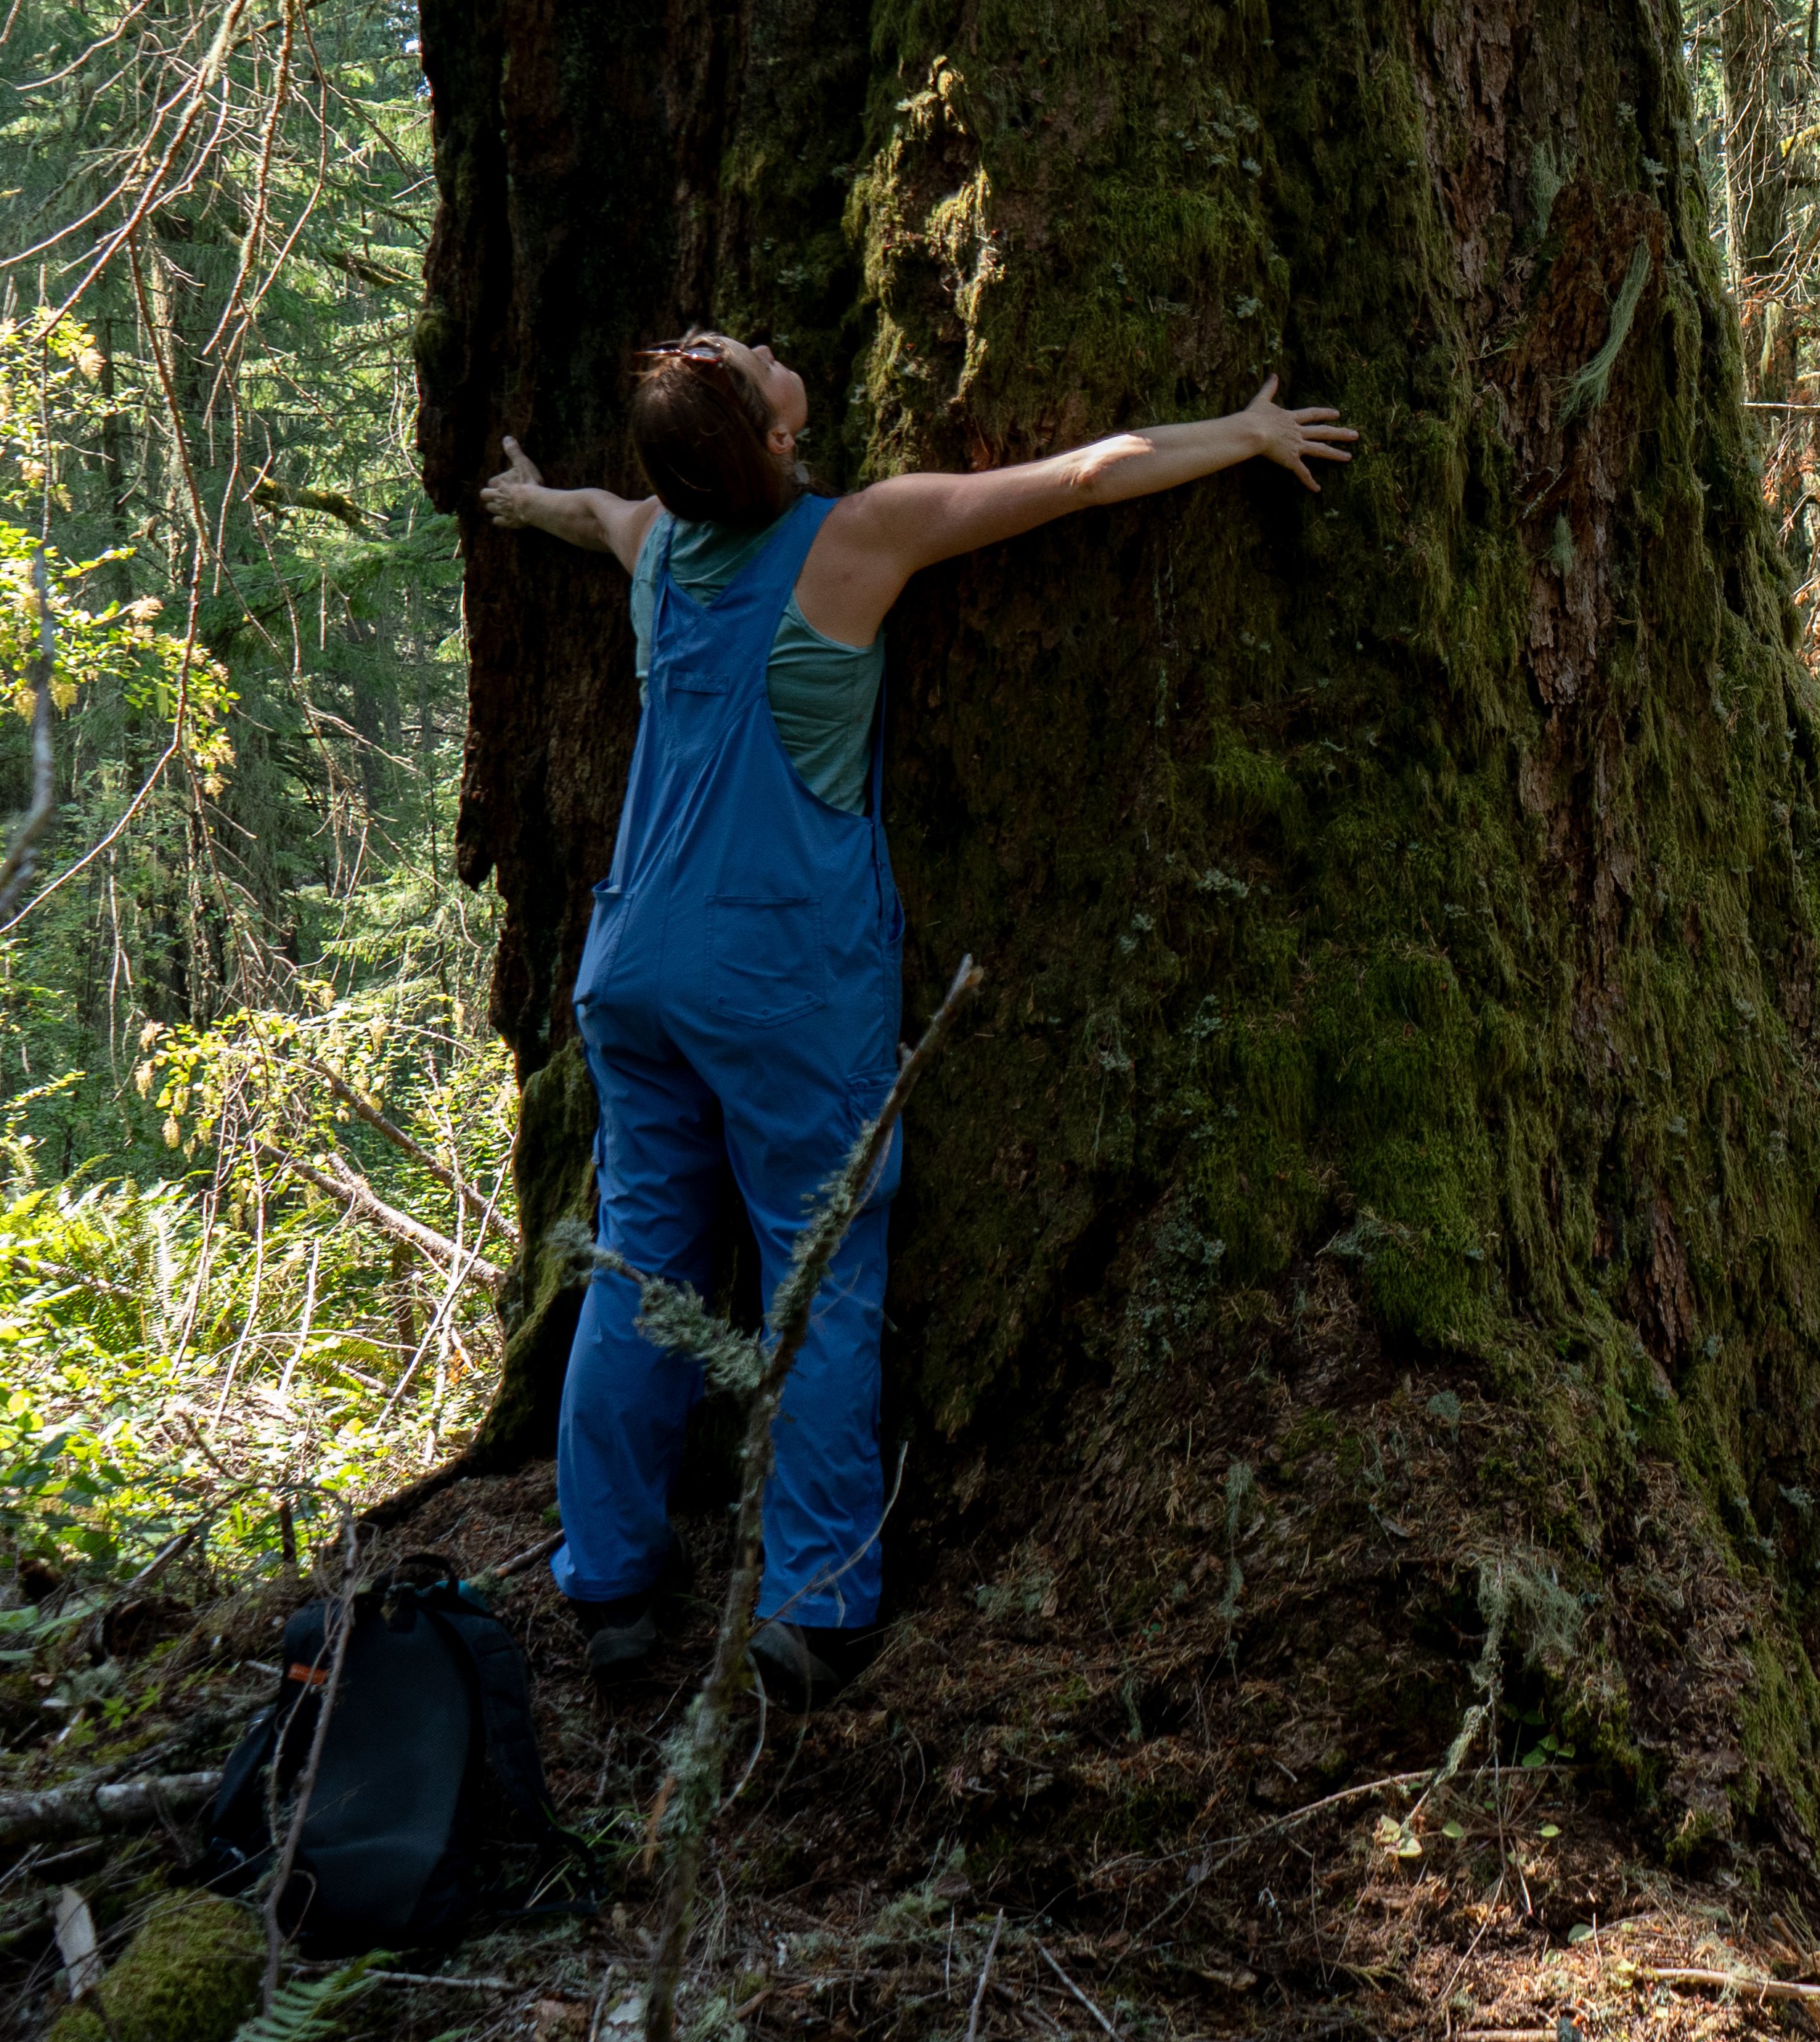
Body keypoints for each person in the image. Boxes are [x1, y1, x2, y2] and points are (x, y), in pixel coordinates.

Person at [480, 335, 1354, 1703]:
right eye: (758, 371)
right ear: (768, 446)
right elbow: (1079, 480)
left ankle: (609, 1585)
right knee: (816, 1265)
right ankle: (814, 1603)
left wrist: (533, 504)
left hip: (631, 962)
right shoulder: (854, 543)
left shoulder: (661, 549)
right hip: (775, 973)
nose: (776, 353)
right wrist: (1241, 434)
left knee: (644, 1266)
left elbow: (599, 514)